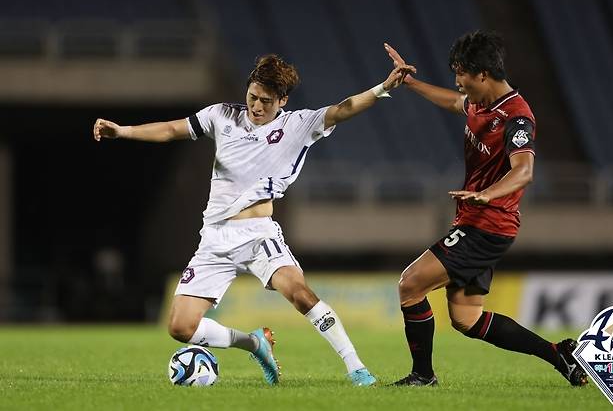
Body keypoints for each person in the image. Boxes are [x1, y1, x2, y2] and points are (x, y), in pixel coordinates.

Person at [93, 54, 415, 386]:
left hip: (259, 235)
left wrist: (382, 88)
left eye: (265, 101)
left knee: (299, 292)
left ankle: (356, 367)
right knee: (181, 328)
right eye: (252, 96)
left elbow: (344, 108)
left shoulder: (297, 125)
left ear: (283, 100)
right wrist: (123, 131)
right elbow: (174, 129)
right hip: (215, 237)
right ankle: (255, 344)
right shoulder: (222, 115)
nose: (256, 106)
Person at [383, 31, 588, 387]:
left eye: (460, 75)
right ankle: (560, 355)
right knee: (466, 318)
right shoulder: (479, 102)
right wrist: (411, 83)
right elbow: (452, 103)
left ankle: (423, 375)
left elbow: (524, 170)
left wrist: (489, 194)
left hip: (488, 223)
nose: (458, 83)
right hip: (477, 220)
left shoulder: (516, 116)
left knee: (410, 284)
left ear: (481, 74)